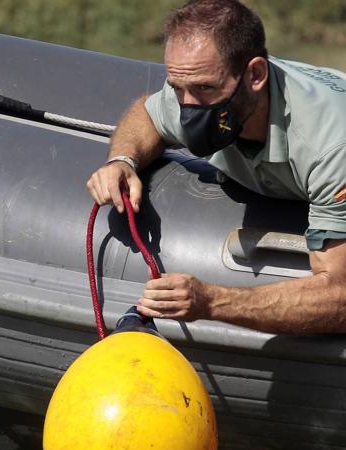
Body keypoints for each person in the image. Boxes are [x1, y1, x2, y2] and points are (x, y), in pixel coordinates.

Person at [86, 0, 346, 334]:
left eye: (205, 88)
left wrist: (212, 302)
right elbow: (147, 113)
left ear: (255, 75)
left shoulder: (330, 147)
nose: (188, 107)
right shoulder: (196, 86)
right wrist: (122, 159)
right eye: (179, 89)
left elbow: (339, 296)